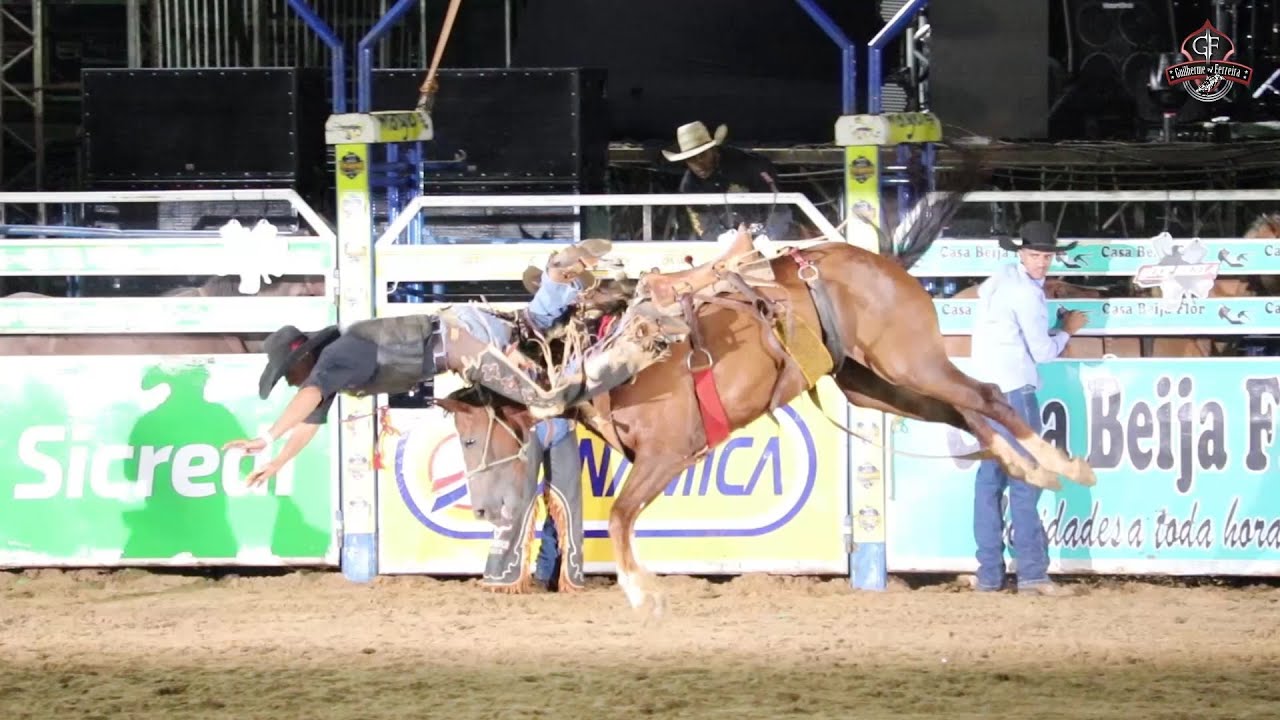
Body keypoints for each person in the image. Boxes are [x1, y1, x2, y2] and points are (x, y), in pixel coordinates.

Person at [967, 220, 1089, 596]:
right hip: (1015, 393)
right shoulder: (1027, 294)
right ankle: (1033, 573)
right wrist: (1067, 330)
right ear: (1023, 254)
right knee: (1026, 481)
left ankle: (989, 574)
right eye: (1036, 255)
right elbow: (1042, 352)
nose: (1041, 262)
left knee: (989, 483)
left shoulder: (999, 280)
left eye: (1046, 256)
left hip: (985, 392)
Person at [483, 416, 584, 592]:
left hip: (564, 421)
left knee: (568, 502)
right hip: (526, 422)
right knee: (519, 498)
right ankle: (504, 572)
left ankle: (551, 572)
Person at [664, 120, 792, 242]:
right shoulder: (690, 186)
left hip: (766, 235)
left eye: (702, 156)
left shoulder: (750, 165)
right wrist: (722, 239)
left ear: (713, 150)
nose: (698, 164)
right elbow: (702, 224)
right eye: (691, 159)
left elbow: (778, 206)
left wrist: (770, 237)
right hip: (728, 243)